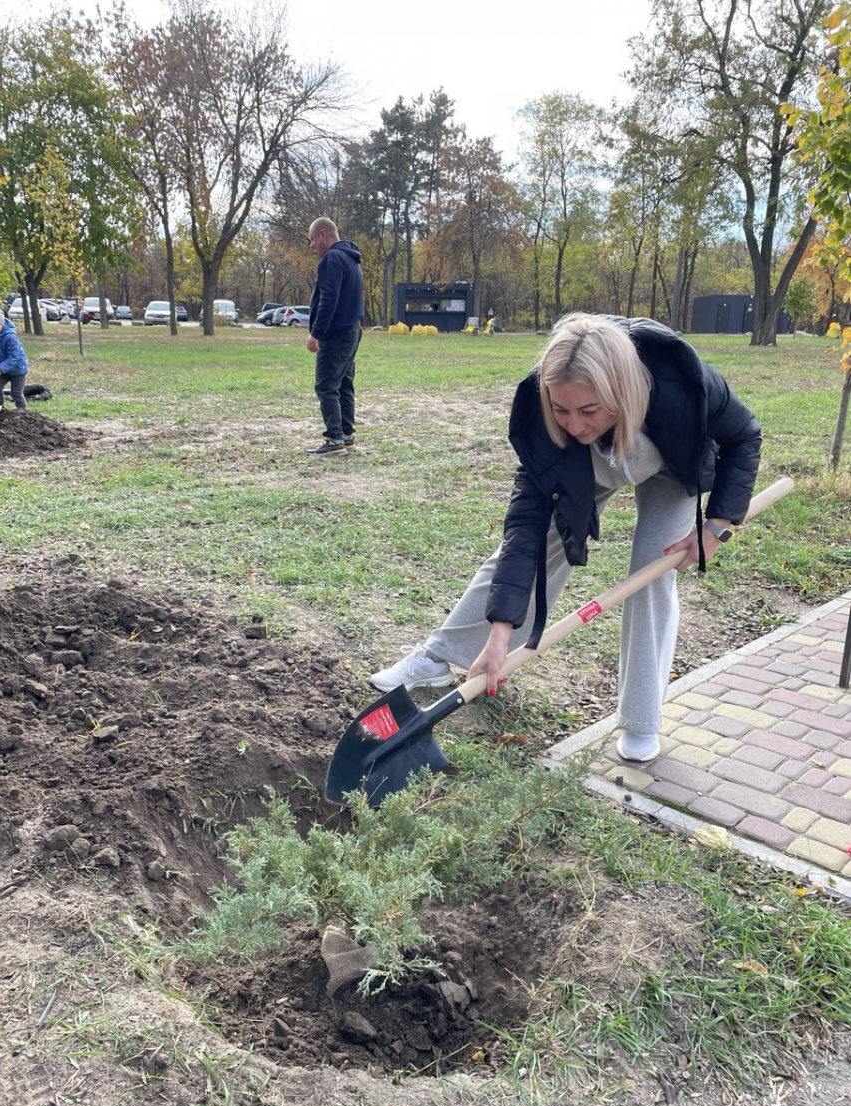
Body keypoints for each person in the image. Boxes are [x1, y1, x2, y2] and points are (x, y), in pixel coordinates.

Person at [371, 313, 761, 763]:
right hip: (588, 463)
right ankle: (443, 655)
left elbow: (744, 436)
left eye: (587, 410)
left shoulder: (682, 382)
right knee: (532, 548)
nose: (573, 423)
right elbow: (525, 533)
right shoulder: (549, 418)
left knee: (652, 572)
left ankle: (640, 719)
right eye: (562, 409)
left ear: (620, 392)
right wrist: (499, 633)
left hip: (670, 464)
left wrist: (716, 526)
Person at [305, 217, 364, 455]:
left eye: (312, 241)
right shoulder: (351, 259)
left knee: (326, 386)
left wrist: (316, 333)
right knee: (344, 384)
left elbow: (329, 300)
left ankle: (334, 439)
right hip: (352, 329)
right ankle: (347, 435)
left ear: (322, 234)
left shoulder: (332, 259)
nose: (311, 247)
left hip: (337, 333)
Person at [0, 305, 29, 411]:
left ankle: (23, 412)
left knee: (16, 393)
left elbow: (14, 356)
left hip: (18, 369)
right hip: (3, 369)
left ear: (2, 323)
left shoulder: (10, 337)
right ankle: (0, 409)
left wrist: (0, 368)